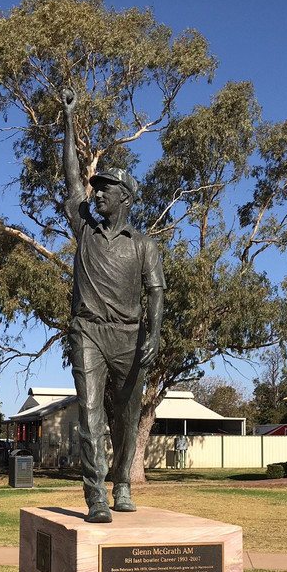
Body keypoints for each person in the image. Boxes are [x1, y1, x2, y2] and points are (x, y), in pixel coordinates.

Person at [62, 88, 165, 523]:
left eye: (106, 189)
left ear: (125, 196)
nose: (97, 194)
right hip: (88, 331)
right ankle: (96, 496)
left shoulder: (143, 245)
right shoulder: (84, 228)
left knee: (125, 420)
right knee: (89, 415)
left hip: (130, 336)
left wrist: (155, 334)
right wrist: (68, 121)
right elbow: (70, 176)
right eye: (96, 189)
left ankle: (122, 483)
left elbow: (156, 292)